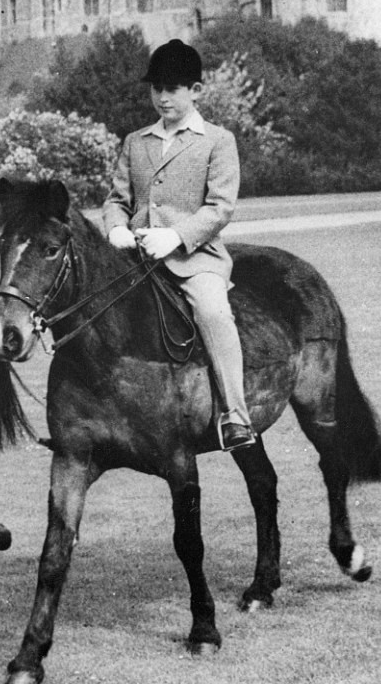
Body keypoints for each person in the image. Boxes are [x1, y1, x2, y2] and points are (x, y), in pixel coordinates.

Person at [103, 39, 257, 452]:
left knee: (214, 312)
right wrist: (116, 227)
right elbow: (117, 200)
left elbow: (220, 207)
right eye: (157, 88)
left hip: (194, 259)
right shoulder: (136, 141)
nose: (163, 97)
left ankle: (235, 416)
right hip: (136, 259)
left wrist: (176, 235)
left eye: (172, 88)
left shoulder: (217, 140)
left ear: (196, 91)